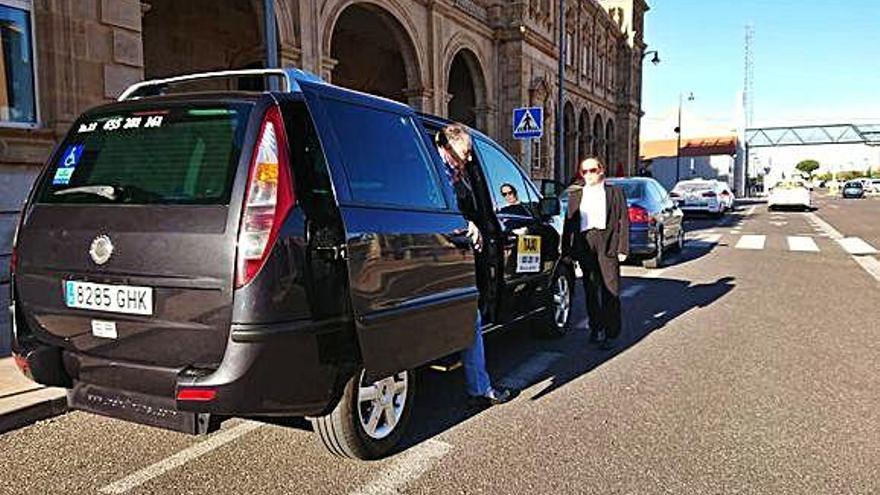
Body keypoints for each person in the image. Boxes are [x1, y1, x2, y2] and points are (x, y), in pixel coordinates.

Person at [436, 124, 512, 406]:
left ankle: (477, 385)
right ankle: (479, 390)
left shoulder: (458, 171)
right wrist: (466, 225)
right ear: (448, 146)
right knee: (471, 318)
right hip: (449, 254)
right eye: (466, 153)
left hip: (463, 255)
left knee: (470, 317)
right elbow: (439, 208)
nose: (468, 159)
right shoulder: (438, 169)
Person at [561, 157, 630, 350]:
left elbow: (623, 220)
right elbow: (569, 223)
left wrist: (623, 247)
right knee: (591, 289)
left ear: (601, 170)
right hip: (585, 242)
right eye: (584, 172)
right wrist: (567, 249)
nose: (588, 175)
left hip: (607, 241)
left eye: (592, 170)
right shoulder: (576, 195)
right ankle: (596, 327)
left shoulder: (615, 192)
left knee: (611, 289)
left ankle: (611, 332)